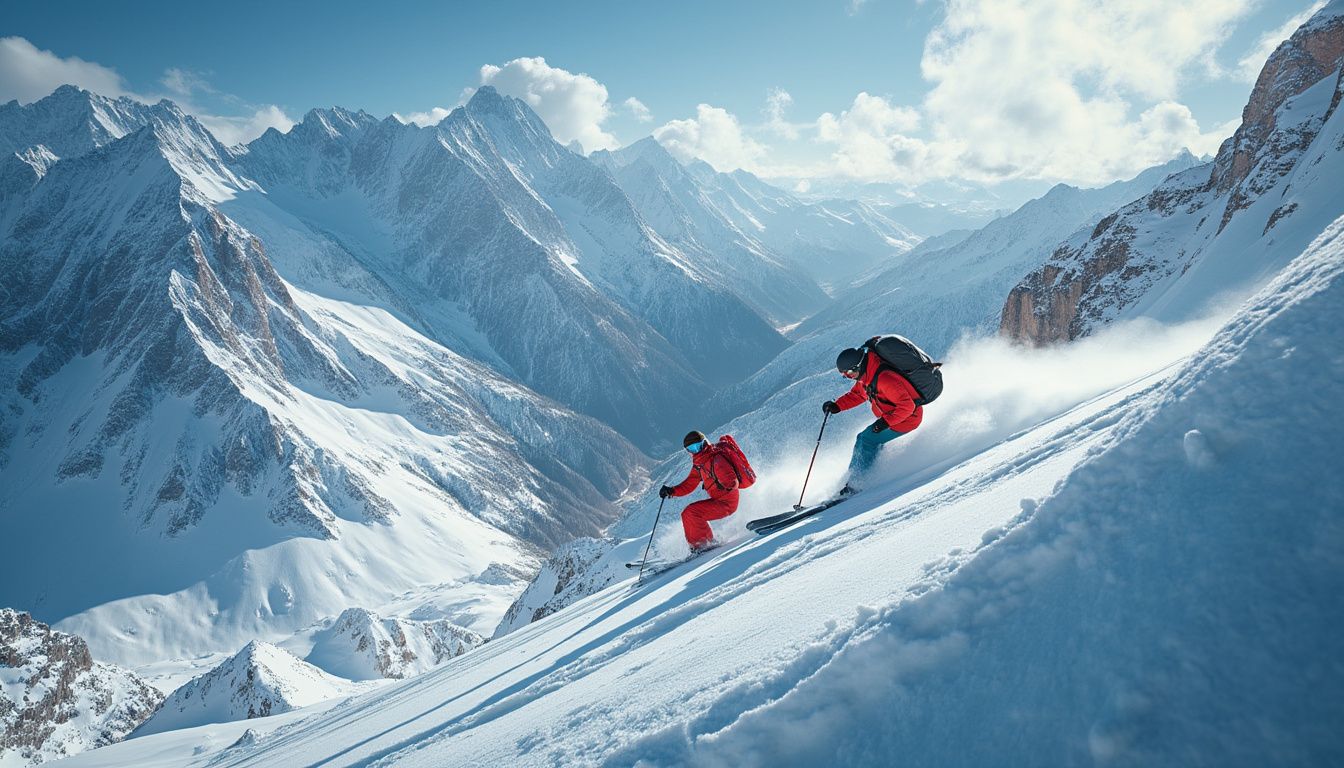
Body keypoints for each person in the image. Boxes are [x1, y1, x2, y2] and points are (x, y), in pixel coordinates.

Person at [823, 346, 924, 494]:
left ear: (858, 365)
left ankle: (856, 484)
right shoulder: (867, 376)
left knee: (867, 439)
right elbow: (857, 395)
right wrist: (837, 406)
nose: (849, 377)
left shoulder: (885, 379)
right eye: (845, 375)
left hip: (907, 419)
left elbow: (907, 406)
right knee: (866, 439)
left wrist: (886, 422)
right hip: (892, 417)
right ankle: (858, 477)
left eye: (849, 373)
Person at [659, 431, 740, 553]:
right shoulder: (700, 464)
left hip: (727, 502)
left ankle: (703, 545)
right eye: (691, 449)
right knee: (688, 513)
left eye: (698, 446)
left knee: (691, 513)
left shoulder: (716, 459)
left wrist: (729, 482)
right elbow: (689, 484)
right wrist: (671, 491)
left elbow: (732, 480)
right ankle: (703, 543)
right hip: (718, 500)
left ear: (704, 443)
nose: (696, 450)